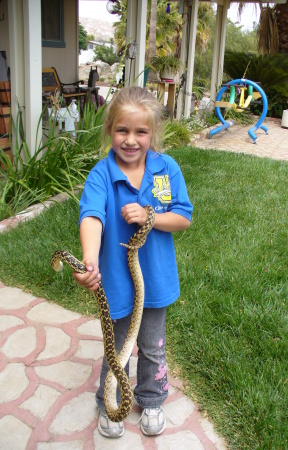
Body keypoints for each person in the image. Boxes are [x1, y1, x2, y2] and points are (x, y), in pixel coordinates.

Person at [73, 86, 193, 438]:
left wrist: (150, 216)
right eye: (122, 130)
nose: (130, 140)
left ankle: (152, 399)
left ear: (152, 134)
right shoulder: (101, 174)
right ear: (109, 128)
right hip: (114, 283)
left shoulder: (165, 168)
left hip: (155, 282)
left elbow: (183, 217)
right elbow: (91, 216)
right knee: (118, 348)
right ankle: (109, 402)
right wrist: (89, 260)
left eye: (141, 131)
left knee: (153, 347)